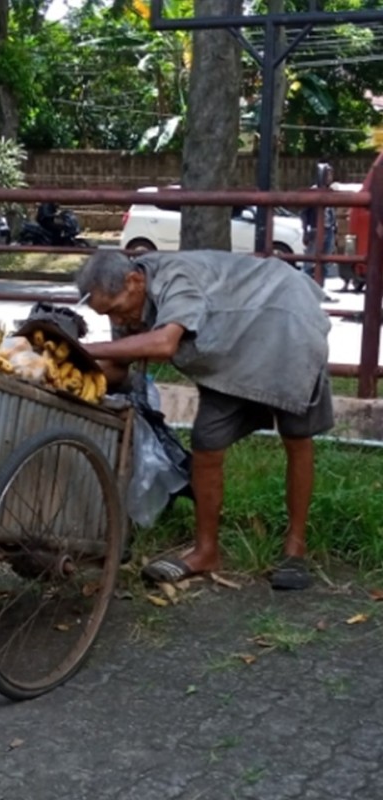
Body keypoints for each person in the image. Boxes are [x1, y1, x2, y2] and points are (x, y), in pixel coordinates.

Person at [76, 247, 334, 590]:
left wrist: (83, 350)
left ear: (134, 281)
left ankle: (295, 547)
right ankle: (206, 551)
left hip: (283, 318)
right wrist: (59, 366)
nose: (117, 322)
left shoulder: (174, 277)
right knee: (206, 442)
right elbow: (119, 365)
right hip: (227, 352)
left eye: (117, 311)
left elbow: (165, 344)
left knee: (296, 437)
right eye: (107, 315)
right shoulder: (127, 304)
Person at [300, 161, 337, 290]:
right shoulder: (313, 191)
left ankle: (319, 290)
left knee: (325, 263)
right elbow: (304, 212)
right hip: (316, 229)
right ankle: (305, 289)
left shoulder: (330, 191)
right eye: (328, 175)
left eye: (331, 175)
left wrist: (334, 227)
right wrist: (306, 230)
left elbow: (331, 211)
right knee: (310, 262)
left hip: (329, 230)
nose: (330, 178)